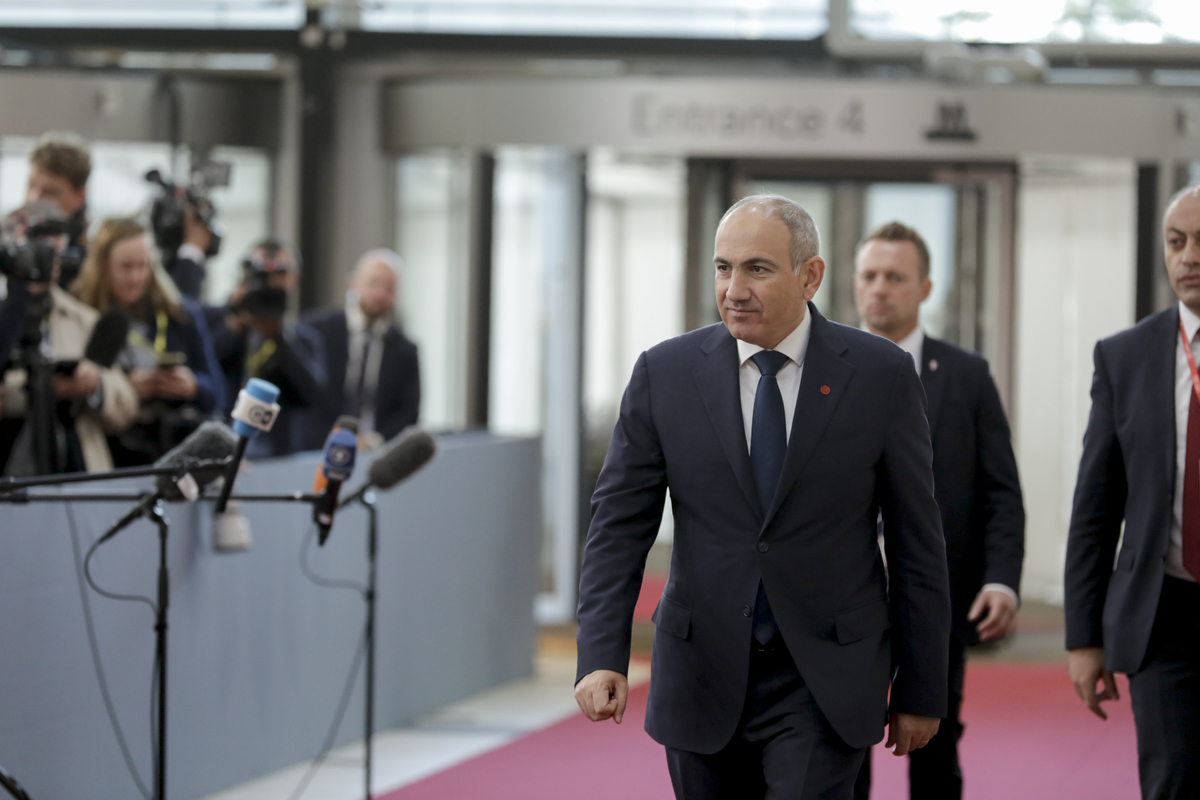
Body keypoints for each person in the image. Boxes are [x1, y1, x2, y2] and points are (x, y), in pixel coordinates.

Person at [574, 194, 951, 799]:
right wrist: (600, 653)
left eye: (757, 269)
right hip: (700, 672)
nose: (734, 290)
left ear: (810, 276)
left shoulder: (879, 375)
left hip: (824, 678)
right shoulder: (664, 374)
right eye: (723, 268)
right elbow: (618, 527)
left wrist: (922, 688)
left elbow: (917, 543)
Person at [851, 222, 1025, 800]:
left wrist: (1001, 580)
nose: (880, 288)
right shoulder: (824, 371)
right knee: (839, 753)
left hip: (934, 597)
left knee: (935, 749)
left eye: (894, 277)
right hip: (840, 600)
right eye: (869, 275)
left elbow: (1001, 491)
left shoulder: (966, 376)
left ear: (925, 288)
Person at [1066, 185, 1200, 799]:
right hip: (1164, 611)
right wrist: (1083, 637)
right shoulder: (1125, 357)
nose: (1189, 256)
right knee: (1171, 782)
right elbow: (1095, 509)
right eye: (1176, 242)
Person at [70, 218, 224, 466]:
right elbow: (72, 397)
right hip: (108, 453)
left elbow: (217, 391)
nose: (136, 277)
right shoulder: (78, 315)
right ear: (102, 266)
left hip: (172, 450)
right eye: (126, 267)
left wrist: (193, 386)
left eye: (142, 265)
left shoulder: (178, 312)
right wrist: (123, 390)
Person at [0, 208, 138, 475]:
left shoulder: (84, 320)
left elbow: (126, 406)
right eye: (41, 250)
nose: (50, 261)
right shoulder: (7, 316)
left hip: (76, 467)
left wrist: (94, 385)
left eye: (57, 252)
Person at [203, 238, 325, 458]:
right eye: (258, 274)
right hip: (220, 450)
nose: (269, 283)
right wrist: (234, 320)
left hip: (277, 457)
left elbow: (312, 397)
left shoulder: (305, 340)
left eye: (280, 274)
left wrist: (278, 338)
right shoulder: (217, 322)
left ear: (294, 281)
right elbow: (204, 367)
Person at [299, 249, 420, 450]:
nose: (380, 294)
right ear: (353, 283)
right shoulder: (315, 331)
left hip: (373, 453)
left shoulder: (405, 350)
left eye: (389, 288)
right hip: (314, 449)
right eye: (373, 284)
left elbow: (408, 413)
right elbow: (304, 396)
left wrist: (372, 440)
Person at [24, 132, 90, 288]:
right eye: (31, 185)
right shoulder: (12, 242)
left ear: (79, 196)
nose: (34, 199)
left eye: (50, 192)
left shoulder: (93, 261)